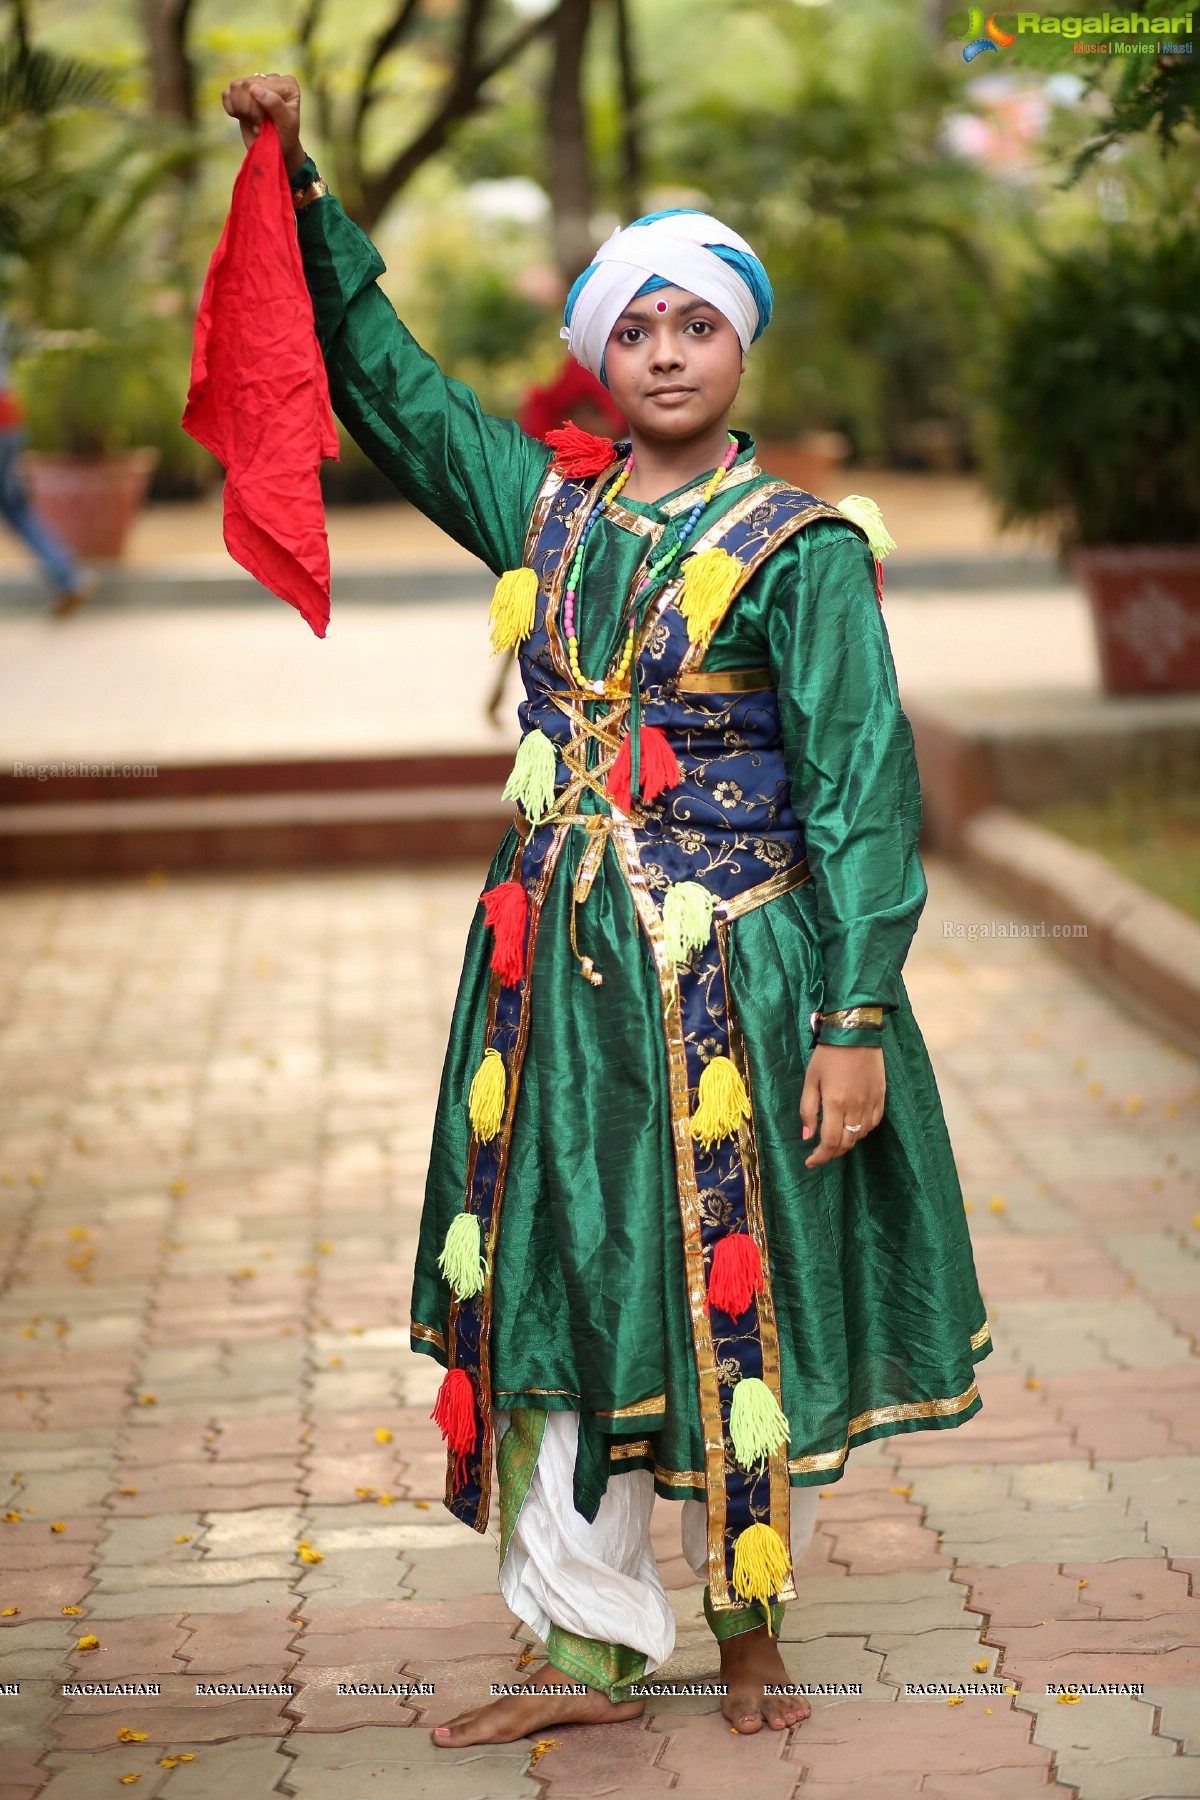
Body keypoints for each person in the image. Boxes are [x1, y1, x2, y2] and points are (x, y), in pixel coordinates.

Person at [222, 75, 991, 1748]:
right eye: (631, 325)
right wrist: (297, 190)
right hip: (554, 979)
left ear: (739, 352)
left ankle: (752, 1625)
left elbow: (863, 778)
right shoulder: (543, 510)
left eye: (693, 323)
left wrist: (854, 1017)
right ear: (591, 353)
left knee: (740, 1281)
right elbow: (400, 394)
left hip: (742, 980)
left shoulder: (804, 549)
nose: (661, 352)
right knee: (567, 1273)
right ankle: (582, 1645)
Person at [0, 314, 93, 617]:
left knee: (14, 506)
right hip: (9, 418)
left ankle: (68, 576)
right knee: (14, 507)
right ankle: (67, 576)